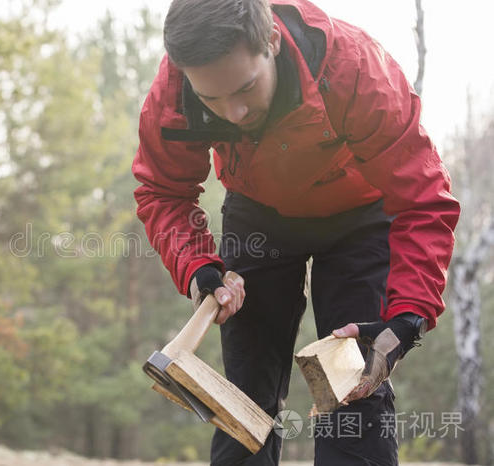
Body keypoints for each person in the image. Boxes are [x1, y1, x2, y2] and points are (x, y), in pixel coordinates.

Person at [132, 0, 460, 464]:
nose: (234, 111)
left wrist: (407, 317)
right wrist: (201, 270)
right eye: (212, 100)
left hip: (359, 216)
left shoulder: (356, 68)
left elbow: (424, 200)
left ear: (272, 41)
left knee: (352, 390)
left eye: (245, 87)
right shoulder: (174, 89)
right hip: (257, 214)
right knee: (244, 396)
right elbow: (162, 191)